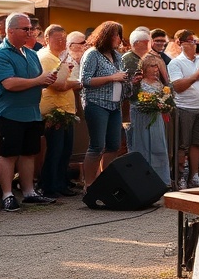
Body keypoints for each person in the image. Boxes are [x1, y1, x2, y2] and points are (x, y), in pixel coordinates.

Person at [0, 13, 57, 212]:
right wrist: (39, 81)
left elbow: (36, 79)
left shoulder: (32, 54)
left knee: (29, 154)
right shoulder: (0, 54)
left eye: (31, 29)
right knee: (8, 155)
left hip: (32, 113)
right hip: (10, 113)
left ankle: (29, 192)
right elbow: (9, 84)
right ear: (10, 31)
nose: (30, 32)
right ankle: (7, 195)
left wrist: (47, 80)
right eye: (25, 29)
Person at [78, 21, 128, 191]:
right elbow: (85, 80)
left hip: (115, 105)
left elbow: (120, 77)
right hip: (96, 104)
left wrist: (129, 80)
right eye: (116, 35)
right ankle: (89, 184)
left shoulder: (117, 56)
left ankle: (105, 180)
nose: (119, 39)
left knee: (114, 145)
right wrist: (113, 77)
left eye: (119, 35)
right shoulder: (92, 54)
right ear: (106, 36)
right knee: (97, 146)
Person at [37, 25, 80, 197]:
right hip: (54, 109)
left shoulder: (64, 56)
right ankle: (49, 185)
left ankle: (61, 183)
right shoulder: (46, 58)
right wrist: (74, 83)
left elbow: (75, 79)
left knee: (65, 150)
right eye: (58, 39)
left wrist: (72, 82)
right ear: (47, 39)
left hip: (67, 109)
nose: (62, 42)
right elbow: (59, 85)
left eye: (64, 38)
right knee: (55, 149)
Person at [168, 30, 199, 189]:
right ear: (180, 43)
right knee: (182, 145)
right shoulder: (176, 63)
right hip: (184, 107)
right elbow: (178, 86)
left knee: (197, 144)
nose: (195, 44)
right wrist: (197, 75)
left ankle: (194, 176)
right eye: (191, 41)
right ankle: (179, 178)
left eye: (195, 41)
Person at [132, 54, 172, 186]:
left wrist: (164, 105)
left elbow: (166, 99)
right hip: (142, 119)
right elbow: (133, 100)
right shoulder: (139, 83)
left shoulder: (159, 84)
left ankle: (161, 180)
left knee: (158, 147)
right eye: (152, 66)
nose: (155, 69)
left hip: (156, 119)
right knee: (142, 146)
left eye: (157, 66)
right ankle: (142, 180)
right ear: (144, 67)